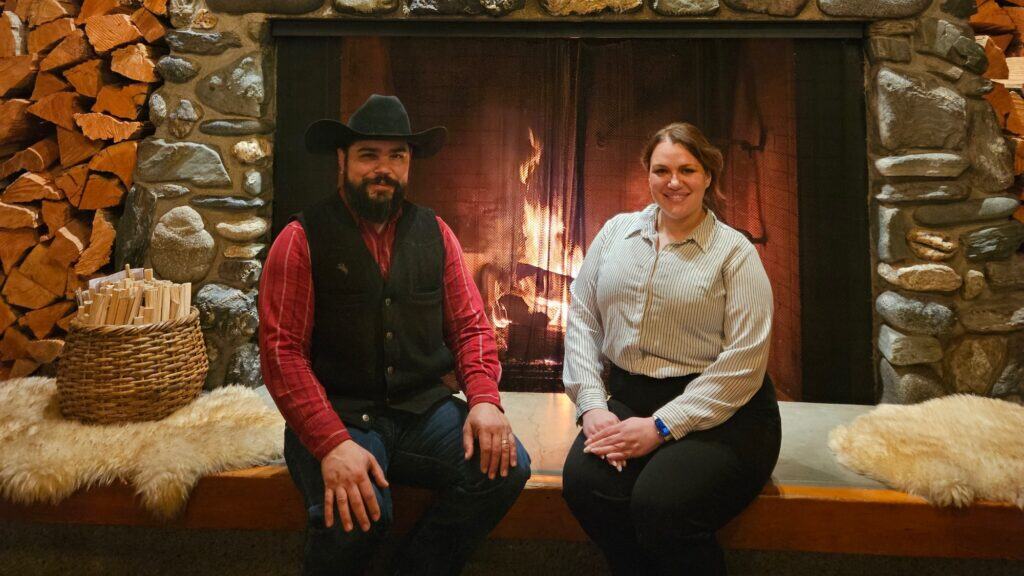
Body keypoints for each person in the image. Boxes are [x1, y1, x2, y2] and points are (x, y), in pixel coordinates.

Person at [259, 94, 530, 576]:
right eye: (369, 155)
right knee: (358, 517)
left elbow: (470, 327)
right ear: (342, 160)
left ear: (409, 165)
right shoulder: (300, 239)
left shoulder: (437, 233)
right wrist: (329, 443)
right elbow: (283, 355)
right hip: (339, 413)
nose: (383, 169)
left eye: (396, 156)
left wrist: (485, 399)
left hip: (420, 412)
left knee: (506, 467)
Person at [560, 122, 781, 576]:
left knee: (661, 504)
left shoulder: (734, 253)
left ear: (708, 177)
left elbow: (744, 363)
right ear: (647, 173)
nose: (674, 182)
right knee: (585, 485)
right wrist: (592, 407)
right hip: (629, 396)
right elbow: (582, 316)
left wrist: (661, 427)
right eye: (662, 170)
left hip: (726, 412)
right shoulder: (615, 233)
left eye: (687, 169)